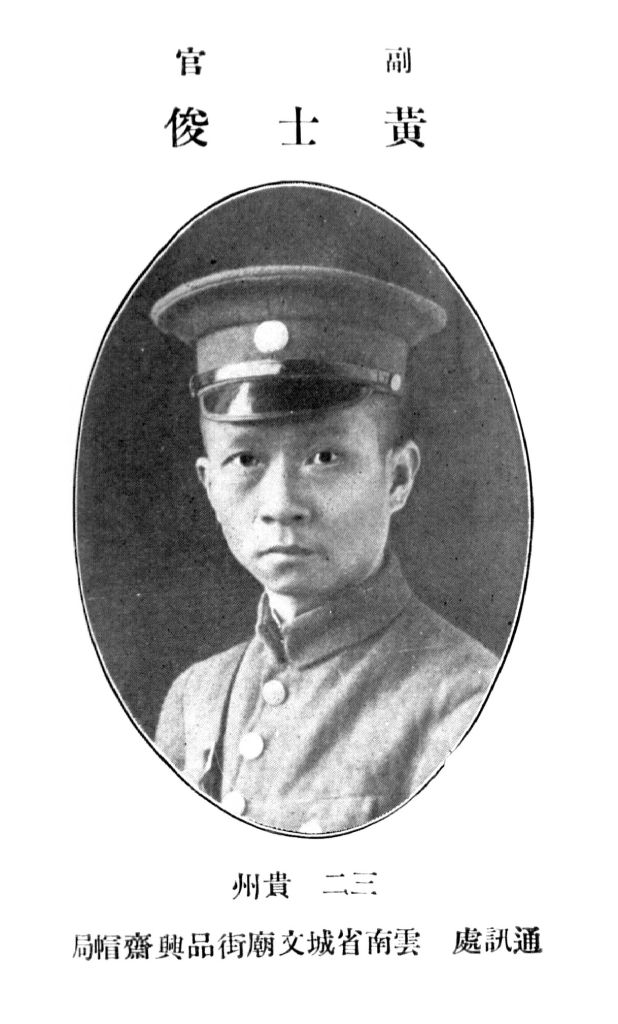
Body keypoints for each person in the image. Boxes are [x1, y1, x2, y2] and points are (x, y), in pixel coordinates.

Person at [151, 264, 498, 834]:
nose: (281, 504)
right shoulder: (195, 697)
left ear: (398, 478)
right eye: (246, 459)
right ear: (209, 484)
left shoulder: (467, 702)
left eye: (324, 458)